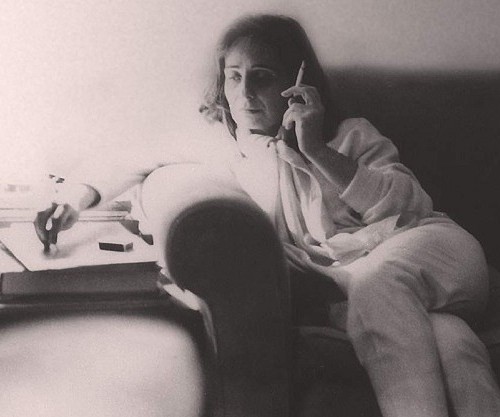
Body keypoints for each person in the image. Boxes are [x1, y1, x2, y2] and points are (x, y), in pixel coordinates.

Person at [34, 13, 500, 417]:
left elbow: (408, 206)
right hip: (382, 297)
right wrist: (74, 199)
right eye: (234, 77)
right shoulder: (229, 149)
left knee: (379, 283)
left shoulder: (351, 136)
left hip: (437, 253)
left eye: (262, 77)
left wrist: (315, 149)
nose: (245, 92)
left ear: (297, 82)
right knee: (451, 342)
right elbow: (133, 155)